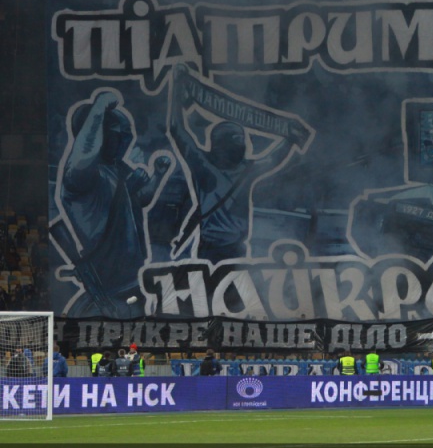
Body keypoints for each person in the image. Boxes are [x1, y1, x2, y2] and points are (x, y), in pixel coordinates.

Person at [169, 65, 306, 264]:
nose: (241, 147)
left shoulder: (204, 166)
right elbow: (273, 158)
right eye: (238, 142)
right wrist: (290, 141)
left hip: (216, 247)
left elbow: (177, 129)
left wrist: (177, 88)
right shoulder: (241, 170)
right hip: (231, 248)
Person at [55, 90, 171, 318]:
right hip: (106, 279)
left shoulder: (117, 169)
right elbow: (85, 151)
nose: (123, 142)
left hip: (131, 275)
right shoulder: (81, 173)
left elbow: (140, 201)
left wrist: (157, 176)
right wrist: (99, 108)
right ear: (103, 134)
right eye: (117, 135)